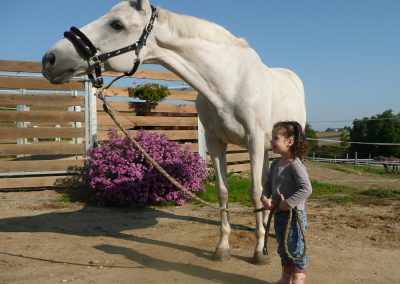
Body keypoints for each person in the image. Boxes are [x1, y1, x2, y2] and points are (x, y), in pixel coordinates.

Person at [261, 121, 312, 284]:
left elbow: (306, 189)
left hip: (294, 217)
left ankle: (298, 281)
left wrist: (287, 203)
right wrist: (264, 197)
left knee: (296, 251)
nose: (271, 142)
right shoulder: (275, 164)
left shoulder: (295, 165)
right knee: (283, 249)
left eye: (275, 138)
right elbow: (268, 184)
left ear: (289, 142)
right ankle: (286, 278)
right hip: (279, 215)